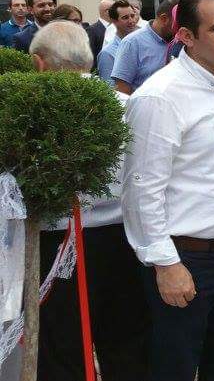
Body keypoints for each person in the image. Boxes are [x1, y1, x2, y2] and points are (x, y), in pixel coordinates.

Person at [120, 0, 214, 381]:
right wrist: (166, 264)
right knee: (176, 367)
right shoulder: (161, 97)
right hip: (188, 259)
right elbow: (142, 189)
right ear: (186, 36)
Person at [31, 21, 149, 381]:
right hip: (123, 238)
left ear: (39, 63)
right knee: (126, 339)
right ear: (90, 59)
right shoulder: (128, 105)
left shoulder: (30, 112)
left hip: (60, 244)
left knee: (62, 344)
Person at [110, 0, 176, 94]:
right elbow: (122, 88)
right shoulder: (132, 43)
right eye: (177, 24)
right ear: (164, 19)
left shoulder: (181, 42)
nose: (181, 28)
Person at [97, 0, 141, 86]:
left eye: (132, 16)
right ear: (114, 21)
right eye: (125, 18)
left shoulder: (142, 44)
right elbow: (109, 88)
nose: (131, 21)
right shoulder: (108, 53)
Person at [86, 0, 115, 64]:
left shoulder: (116, 28)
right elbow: (90, 55)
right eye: (114, 10)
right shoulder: (92, 30)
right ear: (107, 11)